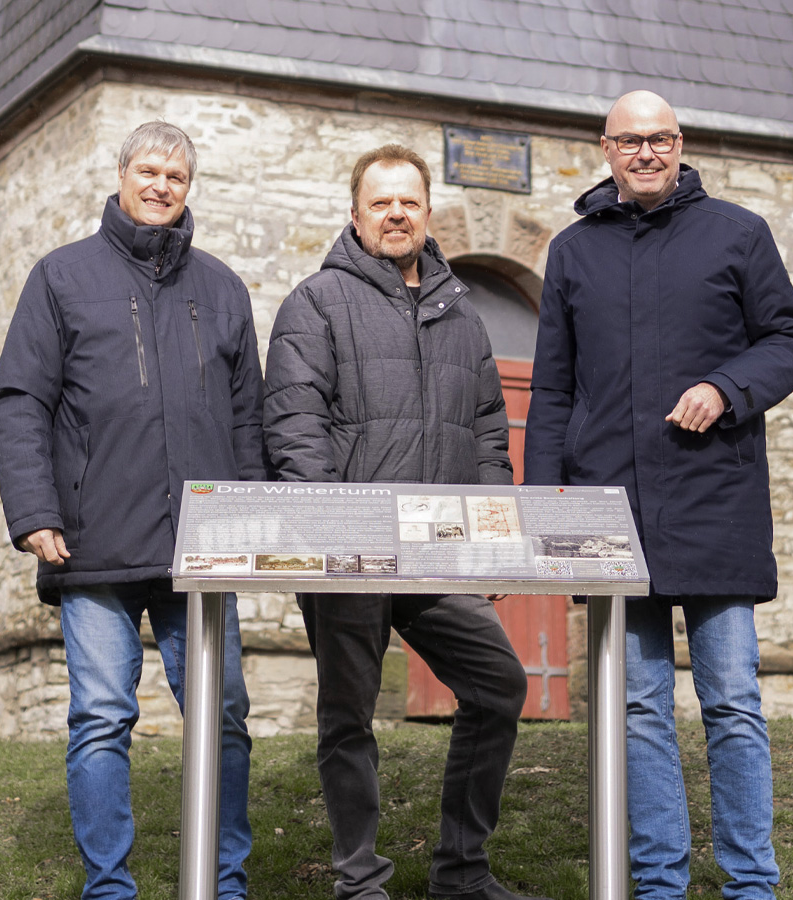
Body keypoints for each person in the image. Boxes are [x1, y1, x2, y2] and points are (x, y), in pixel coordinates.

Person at [524, 91, 793, 900]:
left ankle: (749, 885)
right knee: (639, 710)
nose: (645, 153)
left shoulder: (738, 233)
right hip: (607, 510)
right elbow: (552, 387)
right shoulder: (573, 251)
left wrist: (727, 388)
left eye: (659, 139)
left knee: (731, 702)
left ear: (680, 144)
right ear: (606, 150)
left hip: (713, 501)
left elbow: (792, 340)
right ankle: (658, 884)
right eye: (629, 141)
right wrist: (544, 503)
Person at [0, 121, 263, 900]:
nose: (161, 186)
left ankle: (225, 880)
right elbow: (18, 403)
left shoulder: (223, 288)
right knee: (103, 717)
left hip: (202, 551)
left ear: (189, 187)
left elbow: (250, 422)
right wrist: (33, 510)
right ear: (121, 174)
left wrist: (254, 529)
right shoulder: (61, 277)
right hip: (92, 544)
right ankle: (109, 887)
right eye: (148, 170)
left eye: (176, 176)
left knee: (226, 721)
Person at [263, 144, 543, 900]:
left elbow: (489, 429)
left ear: (427, 213)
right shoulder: (314, 303)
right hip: (348, 556)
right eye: (380, 202)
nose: (395, 214)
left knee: (498, 685)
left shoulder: (462, 313)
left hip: (436, 554)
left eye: (409, 202)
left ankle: (460, 872)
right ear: (355, 215)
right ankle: (360, 881)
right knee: (349, 717)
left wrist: (488, 542)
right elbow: (295, 431)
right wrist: (333, 541)